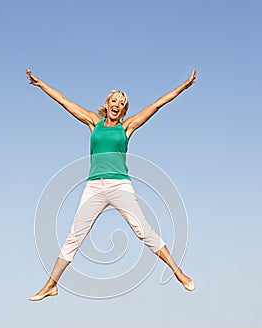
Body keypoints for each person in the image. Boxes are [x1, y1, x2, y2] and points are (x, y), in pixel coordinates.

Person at [26, 68, 197, 301]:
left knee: (143, 231)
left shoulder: (126, 127)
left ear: (124, 110)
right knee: (74, 236)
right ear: (107, 105)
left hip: (120, 186)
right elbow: (65, 102)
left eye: (122, 104)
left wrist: (182, 87)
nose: (117, 105)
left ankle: (179, 273)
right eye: (114, 101)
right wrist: (41, 84)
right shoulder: (93, 122)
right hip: (94, 187)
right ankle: (51, 285)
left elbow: (156, 105)